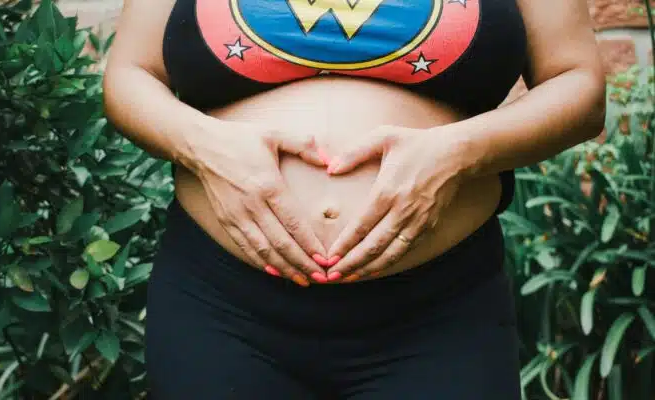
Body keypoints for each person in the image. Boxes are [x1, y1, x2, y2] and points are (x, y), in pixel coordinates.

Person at [103, 0, 605, 398]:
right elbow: (129, 75)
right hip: (223, 306)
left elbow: (578, 84)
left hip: (438, 311)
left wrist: (458, 152)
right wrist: (205, 147)